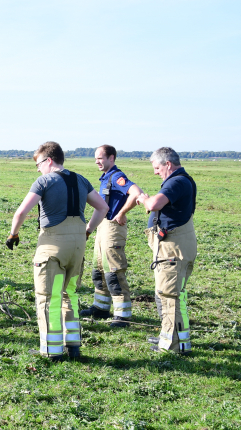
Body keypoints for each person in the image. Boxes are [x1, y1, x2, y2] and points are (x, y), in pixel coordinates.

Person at [6, 142, 108, 361]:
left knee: (47, 297)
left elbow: (22, 212)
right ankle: (73, 346)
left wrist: (13, 234)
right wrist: (87, 230)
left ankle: (51, 350)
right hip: (78, 245)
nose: (38, 169)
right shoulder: (81, 179)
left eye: (39, 164)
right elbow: (103, 208)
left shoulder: (44, 181)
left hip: (52, 245)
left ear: (49, 161)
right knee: (69, 294)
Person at [136, 147, 197, 355]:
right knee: (172, 294)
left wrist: (143, 199)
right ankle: (175, 338)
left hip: (173, 249)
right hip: (175, 245)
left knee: (170, 295)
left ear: (168, 164)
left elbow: (154, 204)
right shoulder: (182, 180)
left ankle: (172, 346)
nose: (155, 172)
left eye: (156, 167)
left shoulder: (177, 181)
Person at [80, 145, 144, 328]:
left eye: (100, 158)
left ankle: (122, 316)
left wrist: (122, 213)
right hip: (103, 227)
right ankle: (101, 307)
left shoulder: (117, 177)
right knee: (98, 270)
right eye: (96, 159)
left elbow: (136, 193)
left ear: (111, 158)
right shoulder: (106, 177)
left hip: (113, 228)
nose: (97, 161)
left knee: (114, 272)